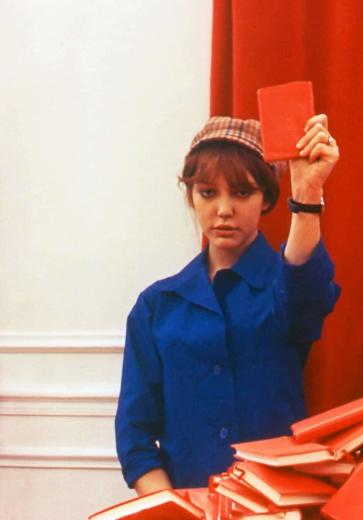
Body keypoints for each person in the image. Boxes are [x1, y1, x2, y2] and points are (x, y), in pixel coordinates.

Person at [115, 115, 341, 493]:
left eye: (241, 192)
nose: (223, 209)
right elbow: (135, 438)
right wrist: (176, 514)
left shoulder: (283, 285)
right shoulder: (156, 307)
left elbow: (306, 296)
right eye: (207, 193)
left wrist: (307, 193)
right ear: (191, 196)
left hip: (278, 509)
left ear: (266, 197)